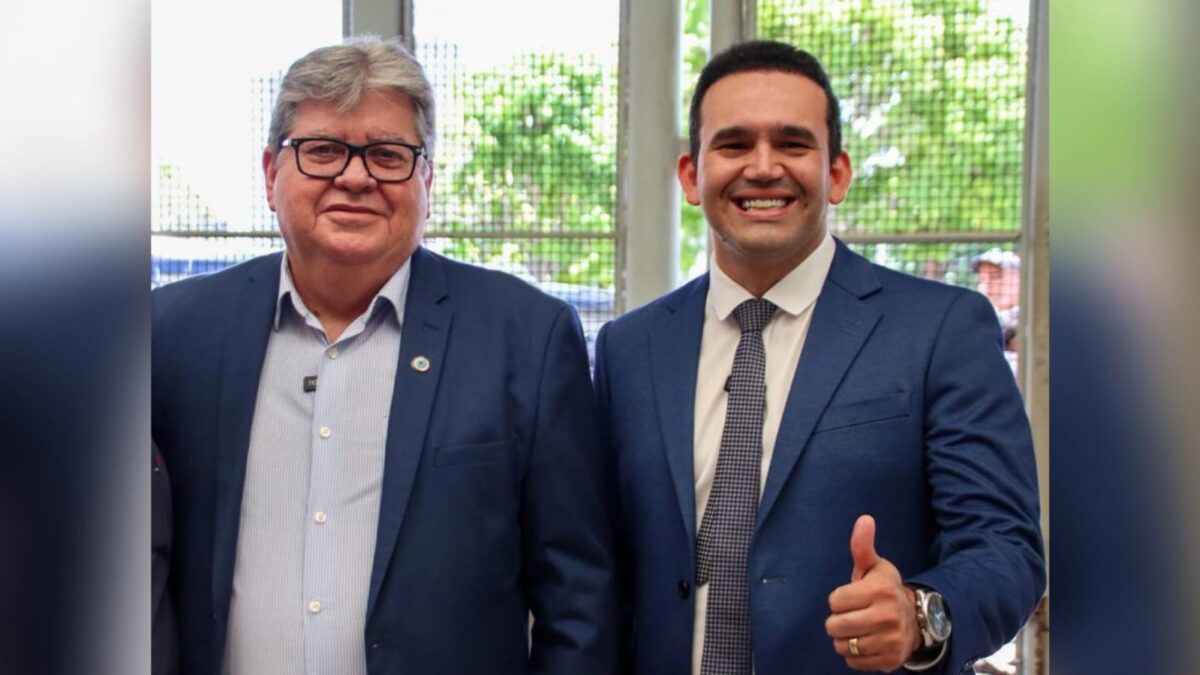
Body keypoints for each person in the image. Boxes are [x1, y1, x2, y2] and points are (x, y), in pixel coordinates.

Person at [152, 37, 617, 675]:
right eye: (321, 151)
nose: (354, 176)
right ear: (269, 174)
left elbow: (578, 601)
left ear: (425, 178)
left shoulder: (525, 338)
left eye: (387, 154)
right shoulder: (171, 333)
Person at [593, 41, 1044, 675]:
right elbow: (603, 567)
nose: (763, 166)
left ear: (836, 173)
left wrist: (919, 614)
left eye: (793, 143)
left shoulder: (942, 329)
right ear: (692, 177)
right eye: (734, 144)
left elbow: (1007, 547)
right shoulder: (627, 350)